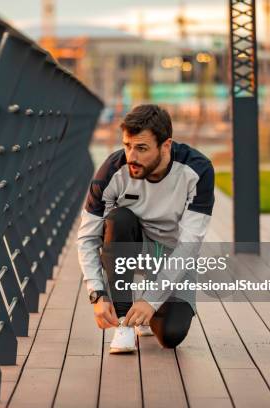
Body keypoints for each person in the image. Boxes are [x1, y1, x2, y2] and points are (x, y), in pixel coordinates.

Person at [77, 104, 215, 353]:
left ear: (166, 145)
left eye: (141, 148)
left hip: (172, 255)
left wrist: (151, 300)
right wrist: (96, 293)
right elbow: (87, 237)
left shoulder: (198, 171)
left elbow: (189, 245)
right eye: (127, 145)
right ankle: (124, 324)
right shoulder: (112, 171)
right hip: (133, 248)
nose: (132, 156)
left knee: (171, 336)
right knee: (119, 220)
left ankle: (146, 311)